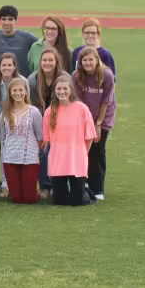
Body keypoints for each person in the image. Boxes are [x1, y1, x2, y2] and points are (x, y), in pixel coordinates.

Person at [42, 75, 97, 206]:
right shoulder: (50, 112)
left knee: (78, 202)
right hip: (58, 161)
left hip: (76, 160)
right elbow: (46, 140)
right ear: (54, 91)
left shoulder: (82, 109)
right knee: (59, 202)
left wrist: (83, 154)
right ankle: (60, 192)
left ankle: (86, 192)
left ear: (71, 90)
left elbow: (89, 137)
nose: (62, 92)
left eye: (65, 89)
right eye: (59, 89)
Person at [72, 47, 116, 200]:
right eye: (85, 60)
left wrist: (97, 123)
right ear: (80, 62)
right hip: (85, 115)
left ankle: (98, 189)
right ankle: (84, 183)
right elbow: (79, 101)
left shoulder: (107, 75)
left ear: (97, 60)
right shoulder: (76, 76)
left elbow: (105, 101)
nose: (88, 63)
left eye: (91, 59)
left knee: (97, 149)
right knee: (84, 149)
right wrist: (85, 122)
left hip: (103, 116)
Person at [27, 47, 69, 199]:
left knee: (63, 151)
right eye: (44, 60)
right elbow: (31, 106)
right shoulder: (33, 80)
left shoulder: (65, 78)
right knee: (44, 153)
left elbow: (70, 101)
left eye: (51, 60)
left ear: (56, 62)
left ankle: (64, 182)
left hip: (63, 122)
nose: (47, 63)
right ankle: (45, 186)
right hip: (42, 122)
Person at [0, 53, 29, 197]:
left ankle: (20, 181)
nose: (6, 68)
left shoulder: (22, 81)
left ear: (14, 66)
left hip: (20, 120)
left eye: (9, 65)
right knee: (3, 151)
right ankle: (5, 184)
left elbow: (26, 103)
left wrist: (17, 120)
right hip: (1, 120)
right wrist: (7, 123)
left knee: (21, 152)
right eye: (3, 65)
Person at [0, 78, 43, 204]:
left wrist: (33, 153)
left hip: (29, 158)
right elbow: (3, 137)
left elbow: (40, 136)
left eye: (20, 90)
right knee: (16, 199)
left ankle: (36, 192)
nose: (18, 93)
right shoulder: (4, 113)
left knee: (29, 199)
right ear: (10, 93)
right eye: (14, 90)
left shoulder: (33, 111)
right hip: (10, 157)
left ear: (26, 92)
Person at [0, 5, 37, 77]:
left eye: (10, 19)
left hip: (19, 84)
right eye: (4, 19)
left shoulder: (27, 38)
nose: (7, 22)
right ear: (0, 20)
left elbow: (42, 44)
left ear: (15, 20)